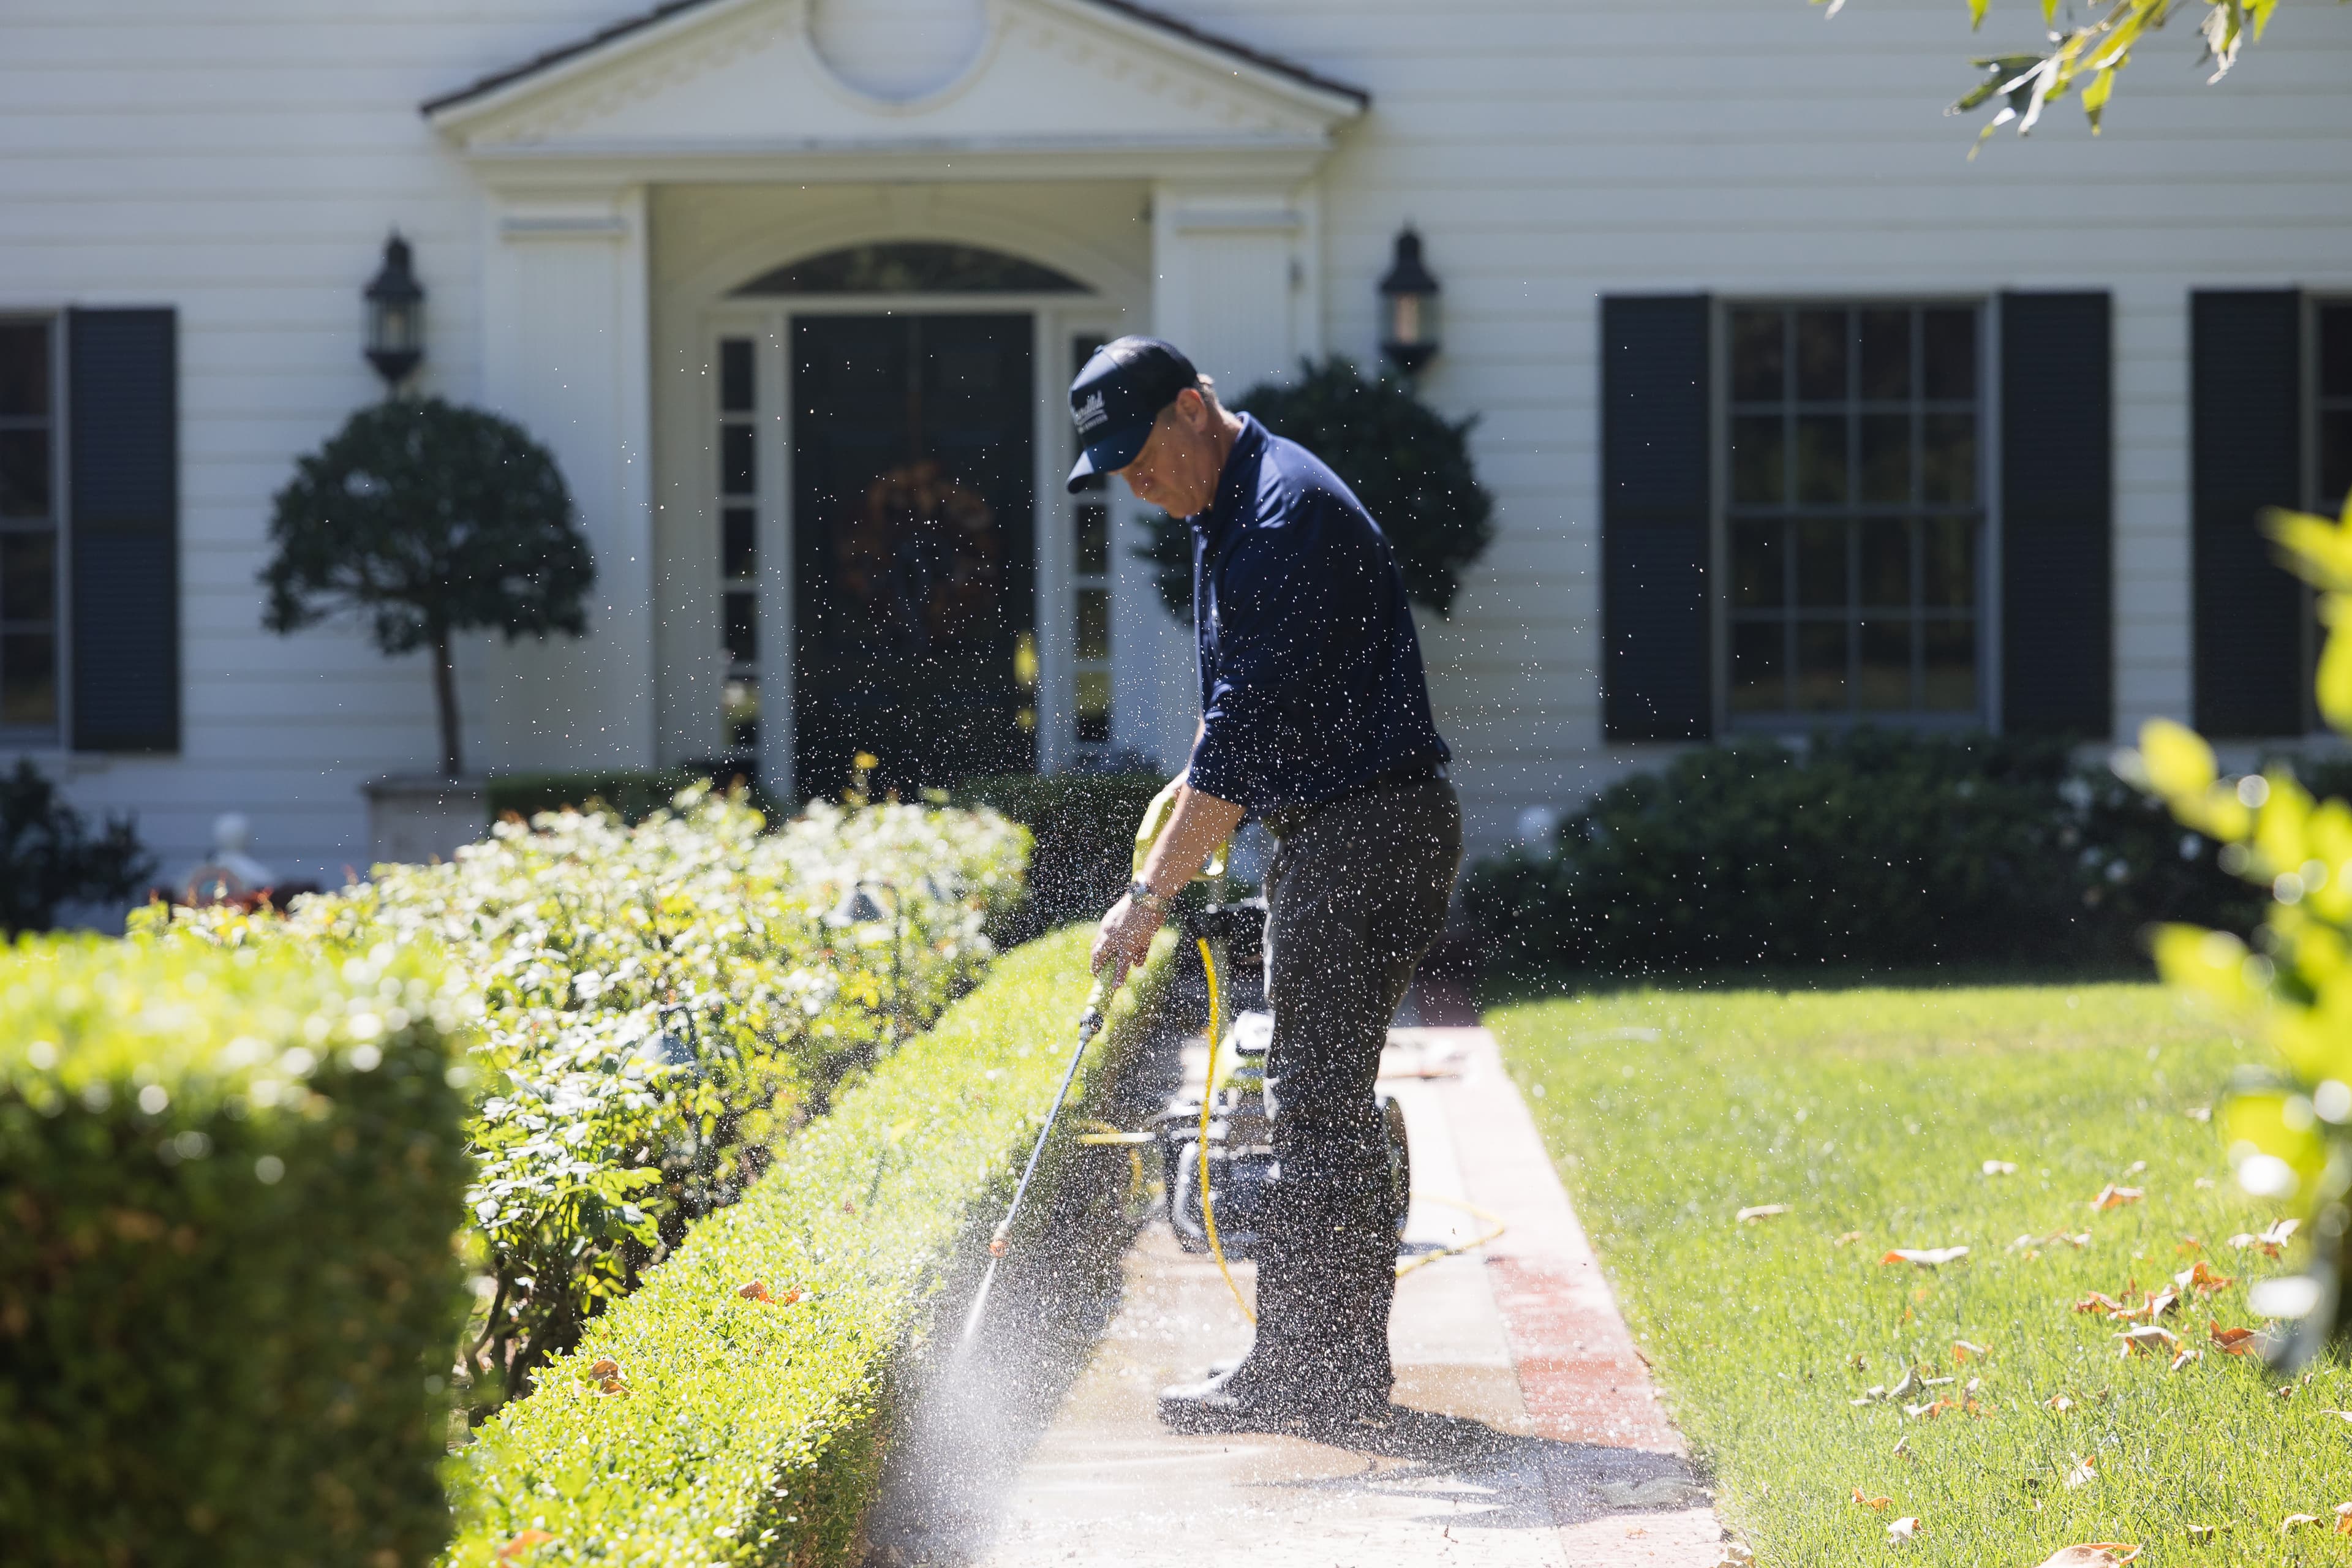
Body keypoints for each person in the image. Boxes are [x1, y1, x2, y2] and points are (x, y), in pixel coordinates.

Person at [1072, 336, 1463, 1431]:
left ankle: (1316, 1375)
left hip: (1368, 830)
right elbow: (1236, 706)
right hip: (1344, 829)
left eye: (1139, 454)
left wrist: (1148, 898)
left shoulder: (1285, 517)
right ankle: (1320, 1366)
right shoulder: (1229, 510)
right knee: (1315, 1102)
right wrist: (1181, 797)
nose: (1133, 484)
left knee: (1313, 1108)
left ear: (1193, 409)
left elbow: (1244, 739)